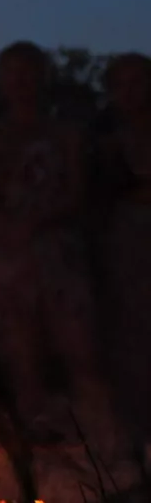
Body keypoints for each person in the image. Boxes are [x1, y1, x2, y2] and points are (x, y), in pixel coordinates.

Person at [0, 42, 107, 434]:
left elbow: (77, 192)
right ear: (0, 82)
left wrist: (38, 223)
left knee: (79, 349)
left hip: (57, 252)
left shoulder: (66, 134)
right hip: (6, 253)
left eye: (28, 73)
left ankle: (103, 442)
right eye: (11, 73)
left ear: (43, 79)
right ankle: (36, 437)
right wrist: (6, 229)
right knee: (19, 355)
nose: (20, 82)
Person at [97, 53, 151, 464]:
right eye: (123, 84)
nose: (132, 93)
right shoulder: (105, 143)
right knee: (131, 342)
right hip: (127, 247)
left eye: (140, 82)